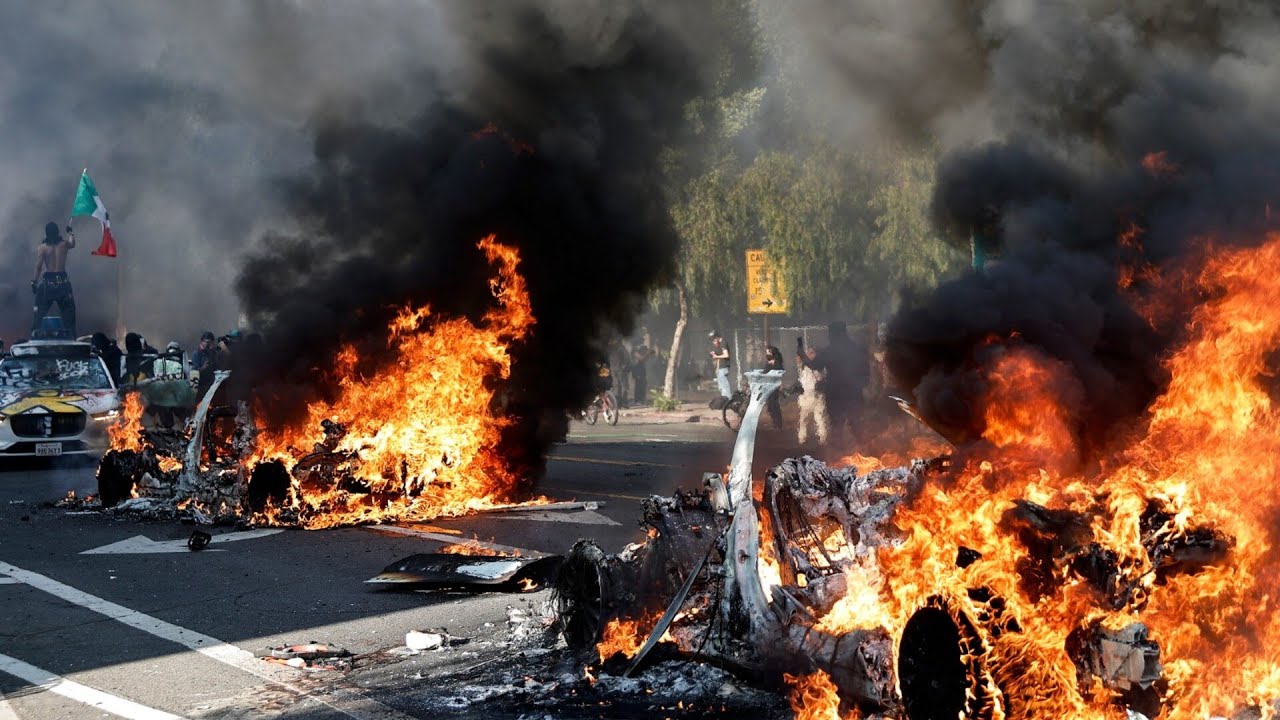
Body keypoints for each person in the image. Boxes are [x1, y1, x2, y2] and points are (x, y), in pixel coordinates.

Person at [31, 222, 77, 337]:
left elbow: (38, 267)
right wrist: (70, 233)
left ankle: (34, 336)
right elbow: (72, 243)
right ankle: (72, 338)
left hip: (49, 284)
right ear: (57, 232)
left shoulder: (42, 248)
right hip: (62, 283)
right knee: (69, 316)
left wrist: (34, 282)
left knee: (38, 314)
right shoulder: (64, 244)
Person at [795, 338, 829, 445]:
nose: (808, 354)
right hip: (806, 397)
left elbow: (821, 379)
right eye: (808, 352)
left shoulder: (818, 366)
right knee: (803, 420)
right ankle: (802, 439)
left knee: (819, 419)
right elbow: (799, 361)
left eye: (811, 352)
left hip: (816, 396)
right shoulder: (804, 367)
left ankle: (822, 439)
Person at [191, 331, 221, 400]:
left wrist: (212, 352)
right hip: (201, 384)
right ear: (201, 342)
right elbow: (194, 373)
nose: (207, 344)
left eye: (209, 342)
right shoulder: (197, 354)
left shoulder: (214, 353)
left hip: (212, 383)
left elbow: (218, 367)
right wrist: (203, 368)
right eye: (205, 342)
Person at [762, 342, 785, 429]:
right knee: (771, 405)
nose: (766, 354)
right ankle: (775, 423)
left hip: (774, 387)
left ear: (772, 354)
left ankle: (778, 424)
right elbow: (764, 372)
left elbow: (779, 373)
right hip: (769, 386)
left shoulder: (777, 363)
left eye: (768, 352)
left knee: (774, 405)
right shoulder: (768, 363)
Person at [709, 331, 731, 399]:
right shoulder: (719, 345)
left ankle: (727, 400)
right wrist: (717, 368)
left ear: (717, 337)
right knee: (721, 387)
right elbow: (718, 358)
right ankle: (724, 399)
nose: (714, 342)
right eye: (712, 340)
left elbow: (726, 355)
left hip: (724, 367)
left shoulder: (723, 343)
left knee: (724, 386)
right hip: (720, 368)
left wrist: (716, 356)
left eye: (714, 340)